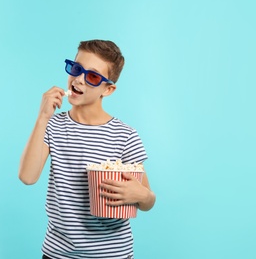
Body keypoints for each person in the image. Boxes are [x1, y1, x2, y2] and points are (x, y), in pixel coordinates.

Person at [19, 39, 156, 259]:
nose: (79, 79)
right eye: (76, 68)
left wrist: (142, 195)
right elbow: (27, 177)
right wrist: (43, 117)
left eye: (92, 76)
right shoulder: (53, 125)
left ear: (108, 89)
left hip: (113, 254)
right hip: (58, 254)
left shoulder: (125, 135)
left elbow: (147, 200)